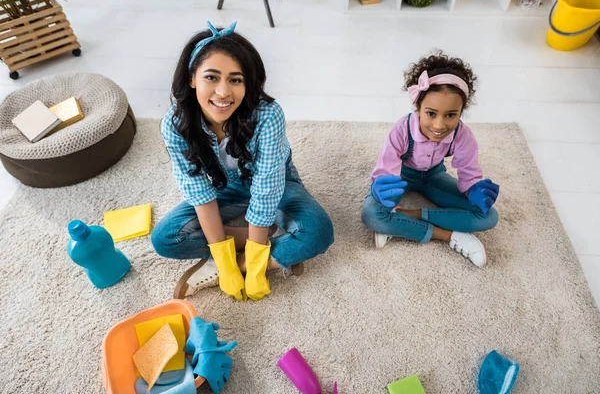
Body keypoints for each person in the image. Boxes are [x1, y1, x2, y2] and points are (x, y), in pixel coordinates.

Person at [152, 22, 334, 301]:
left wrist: (255, 259)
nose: (223, 92)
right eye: (211, 77)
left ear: (247, 83)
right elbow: (199, 192)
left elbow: (267, 187)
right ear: (192, 79)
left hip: (276, 182)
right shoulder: (175, 125)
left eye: (235, 80)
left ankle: (248, 261)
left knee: (319, 232)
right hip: (222, 187)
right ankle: (271, 241)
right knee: (165, 239)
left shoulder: (268, 115)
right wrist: (222, 257)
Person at [361, 51, 499, 267]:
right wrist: (380, 185)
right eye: (431, 113)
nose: (439, 125)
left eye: (451, 115)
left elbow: (469, 173)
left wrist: (473, 189)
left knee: (488, 216)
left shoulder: (463, 136)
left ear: (461, 112)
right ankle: (449, 235)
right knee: (372, 214)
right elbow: (386, 168)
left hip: (434, 176)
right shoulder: (401, 129)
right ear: (418, 108)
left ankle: (407, 216)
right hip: (401, 176)